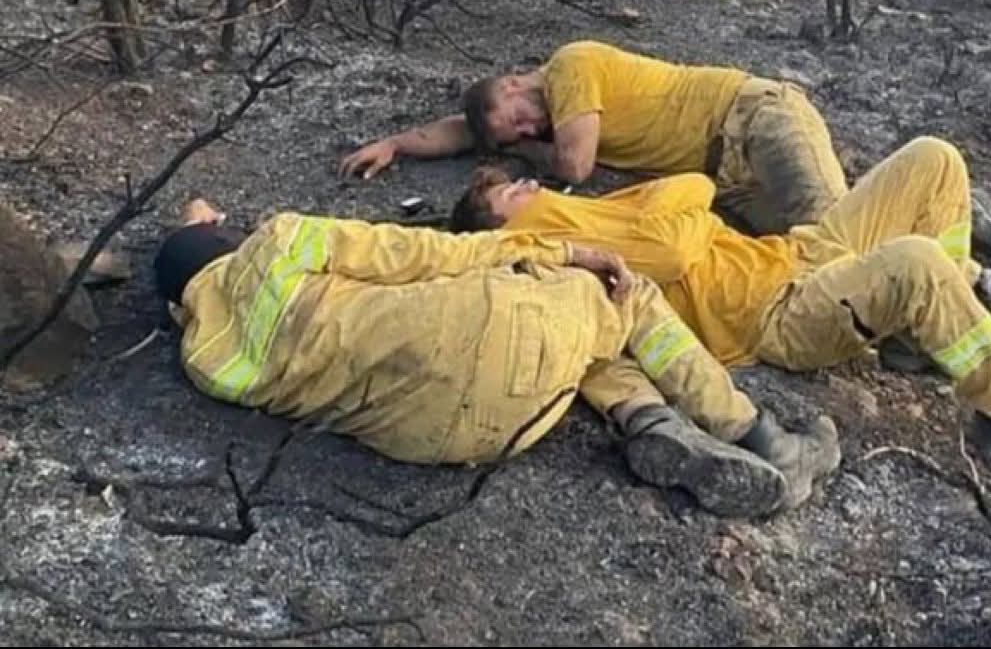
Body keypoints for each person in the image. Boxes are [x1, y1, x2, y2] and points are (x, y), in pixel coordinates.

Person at [155, 199, 840, 518]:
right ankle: (758, 434)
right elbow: (429, 251)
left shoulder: (204, 356)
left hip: (460, 438)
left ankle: (652, 422)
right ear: (223, 245)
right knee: (625, 297)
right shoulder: (276, 244)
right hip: (494, 332)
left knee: (577, 345)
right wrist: (563, 252)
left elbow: (198, 292)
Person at [449, 137, 991, 470]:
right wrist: (683, 202)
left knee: (934, 159)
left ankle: (914, 339)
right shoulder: (552, 240)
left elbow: (678, 205)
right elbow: (677, 237)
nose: (526, 182)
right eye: (509, 191)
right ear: (497, 222)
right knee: (915, 261)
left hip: (797, 254)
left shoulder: (583, 211)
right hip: (781, 314)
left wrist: (678, 203)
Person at [339, 39, 848, 237]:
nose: (526, 131)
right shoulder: (537, 112)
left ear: (514, 81)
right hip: (729, 179)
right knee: (804, 247)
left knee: (833, 229)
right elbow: (462, 129)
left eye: (516, 118)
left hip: (752, 117)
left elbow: (575, 167)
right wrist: (397, 144)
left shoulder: (569, 68)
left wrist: (524, 149)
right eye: (515, 134)